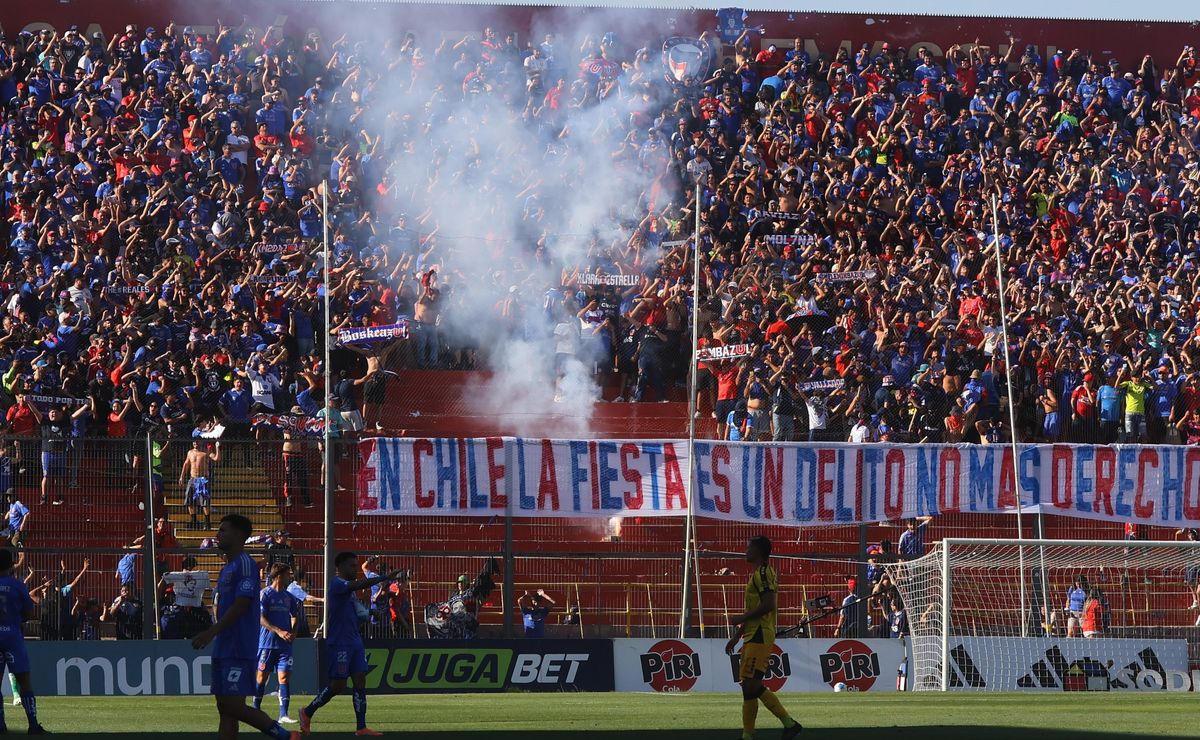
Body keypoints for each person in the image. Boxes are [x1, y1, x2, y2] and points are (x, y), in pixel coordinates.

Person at [191, 514, 299, 740]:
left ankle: (285, 736)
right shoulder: (229, 567)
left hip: (238, 646)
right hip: (224, 645)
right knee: (225, 709)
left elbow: (242, 604)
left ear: (239, 535)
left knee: (232, 706)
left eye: (223, 530)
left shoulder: (245, 564)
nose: (217, 535)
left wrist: (211, 632)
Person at [300, 551, 407, 737]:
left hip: (355, 640)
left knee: (360, 680)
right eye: (352, 566)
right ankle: (307, 712)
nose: (355, 569)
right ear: (339, 567)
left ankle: (361, 726)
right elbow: (358, 584)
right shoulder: (337, 583)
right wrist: (383, 578)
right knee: (338, 686)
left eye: (356, 565)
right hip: (340, 642)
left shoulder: (350, 592)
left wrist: (368, 614)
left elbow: (357, 612)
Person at [724, 536, 801, 740]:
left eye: (749, 547)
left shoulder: (764, 572)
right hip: (752, 635)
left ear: (758, 550)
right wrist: (737, 636)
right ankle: (786, 725)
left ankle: (751, 734)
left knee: (750, 685)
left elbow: (768, 605)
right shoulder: (758, 574)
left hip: (760, 634)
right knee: (749, 686)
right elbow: (755, 609)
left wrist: (740, 618)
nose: (745, 550)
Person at [0, 549, 46, 734]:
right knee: (24, 681)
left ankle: (1, 726)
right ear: (11, 565)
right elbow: (29, 613)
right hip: (12, 636)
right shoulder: (18, 585)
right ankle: (33, 725)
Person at [255, 563, 302, 725]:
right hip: (267, 644)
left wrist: (293, 633)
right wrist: (279, 631)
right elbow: (261, 618)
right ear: (279, 576)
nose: (290, 577)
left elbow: (295, 616)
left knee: (284, 677)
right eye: (288, 574)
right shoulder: (265, 594)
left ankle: (283, 714)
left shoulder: (289, 597)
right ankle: (255, 709)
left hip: (284, 646)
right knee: (261, 678)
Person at [180, 440, 221, 529]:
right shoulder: (190, 452)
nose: (195, 443)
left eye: (197, 442)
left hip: (203, 480)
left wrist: (217, 447)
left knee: (204, 502)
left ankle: (207, 523)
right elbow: (186, 464)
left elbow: (217, 458)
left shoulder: (206, 451)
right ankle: (194, 521)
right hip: (192, 479)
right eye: (194, 442)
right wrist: (182, 476)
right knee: (190, 501)